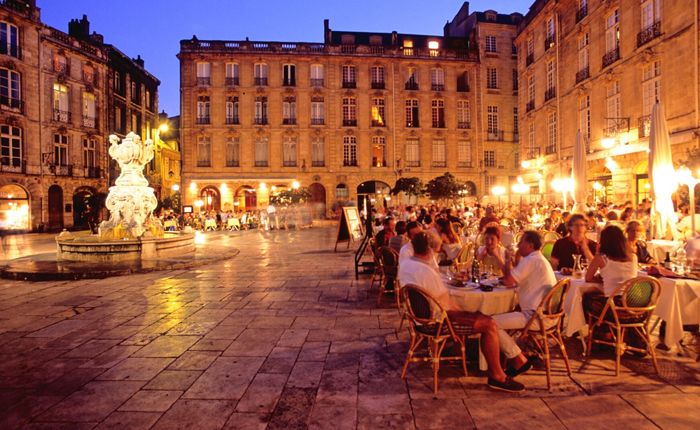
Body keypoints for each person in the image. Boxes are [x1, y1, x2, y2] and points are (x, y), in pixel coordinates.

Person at [398, 232, 525, 392]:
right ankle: (497, 376)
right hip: (438, 322)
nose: (436, 255)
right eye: (437, 251)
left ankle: (512, 360)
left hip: (419, 320)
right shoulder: (427, 272)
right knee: (489, 323)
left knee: (482, 317)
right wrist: (472, 313)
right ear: (430, 250)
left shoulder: (406, 264)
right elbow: (449, 308)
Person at [493, 230, 556, 377]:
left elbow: (509, 281)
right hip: (548, 316)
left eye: (521, 242)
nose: (519, 245)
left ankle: (518, 359)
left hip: (535, 317)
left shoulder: (531, 260)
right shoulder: (537, 259)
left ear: (530, 244)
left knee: (490, 323)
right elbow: (514, 280)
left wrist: (508, 260)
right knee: (498, 318)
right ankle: (518, 353)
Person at [583, 225, 639, 315]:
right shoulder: (633, 257)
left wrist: (600, 279)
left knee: (586, 297)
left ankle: (596, 327)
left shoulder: (601, 258)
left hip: (614, 308)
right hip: (634, 306)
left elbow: (588, 278)